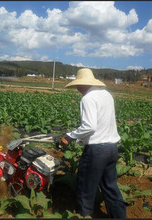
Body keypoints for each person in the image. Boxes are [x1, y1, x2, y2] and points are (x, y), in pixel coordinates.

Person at [59, 68, 127, 218]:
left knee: (85, 189)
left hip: (96, 151)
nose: (77, 89)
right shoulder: (107, 95)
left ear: (81, 84)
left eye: (77, 86)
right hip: (112, 148)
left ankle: (85, 216)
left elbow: (90, 126)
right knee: (110, 187)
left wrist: (69, 137)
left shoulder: (88, 98)